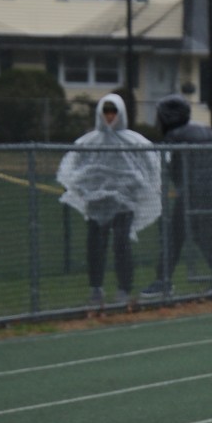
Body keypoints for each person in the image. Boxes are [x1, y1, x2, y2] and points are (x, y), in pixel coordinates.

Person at [57, 94, 161, 307]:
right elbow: (72, 166)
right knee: (96, 245)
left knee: (121, 243)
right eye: (106, 112)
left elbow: (151, 166)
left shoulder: (134, 141)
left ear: (121, 113)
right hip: (97, 203)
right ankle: (96, 288)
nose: (110, 116)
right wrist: (85, 189)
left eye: (114, 112)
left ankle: (124, 289)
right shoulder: (88, 142)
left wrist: (138, 188)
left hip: (124, 204)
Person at [139, 95, 212, 298]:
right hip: (207, 191)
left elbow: (168, 164)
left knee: (177, 235)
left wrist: (168, 183)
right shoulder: (206, 131)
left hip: (191, 191)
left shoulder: (174, 135)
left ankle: (164, 280)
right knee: (202, 233)